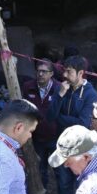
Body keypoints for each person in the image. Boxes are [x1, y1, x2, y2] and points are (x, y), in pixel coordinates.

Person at [47, 55, 97, 194]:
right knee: (63, 184)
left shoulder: (90, 94)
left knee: (80, 184)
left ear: (80, 73)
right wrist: (59, 96)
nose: (65, 76)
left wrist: (59, 118)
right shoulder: (61, 89)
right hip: (62, 147)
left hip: (80, 150)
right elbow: (49, 117)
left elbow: (82, 124)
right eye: (64, 71)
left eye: (69, 72)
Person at [21, 59, 61, 187]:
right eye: (38, 71)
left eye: (44, 72)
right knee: (40, 170)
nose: (40, 74)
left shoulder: (59, 88)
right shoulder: (28, 87)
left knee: (60, 172)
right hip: (37, 138)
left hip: (56, 138)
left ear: (51, 74)